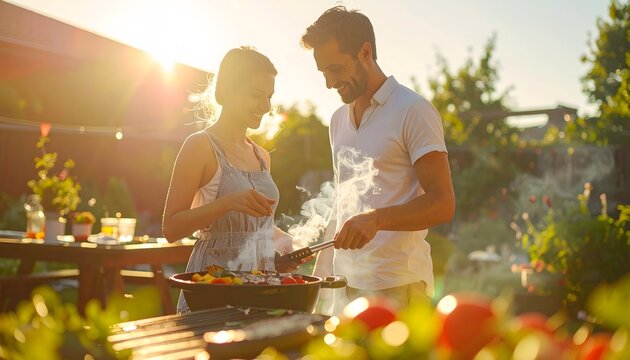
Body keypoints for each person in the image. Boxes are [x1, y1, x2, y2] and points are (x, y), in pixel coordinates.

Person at [301, 6, 455, 308]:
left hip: (400, 287)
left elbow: (443, 203)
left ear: (365, 52)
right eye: (323, 72)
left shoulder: (413, 110)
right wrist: (320, 276)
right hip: (345, 288)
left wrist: (377, 220)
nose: (329, 83)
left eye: (335, 69)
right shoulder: (337, 120)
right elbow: (343, 202)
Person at [162, 47, 298, 313]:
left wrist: (287, 245)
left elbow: (256, 226)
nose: (266, 106)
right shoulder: (200, 146)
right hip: (212, 287)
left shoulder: (261, 156)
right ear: (224, 91)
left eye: (269, 96)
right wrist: (228, 203)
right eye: (256, 95)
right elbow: (171, 228)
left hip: (261, 286)